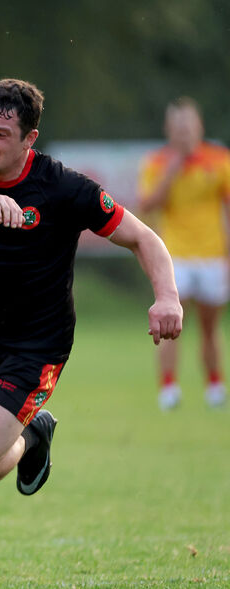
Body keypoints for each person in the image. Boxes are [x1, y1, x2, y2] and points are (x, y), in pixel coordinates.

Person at [0, 79, 183, 588]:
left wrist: (167, 297)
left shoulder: (65, 188)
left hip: (33, 345)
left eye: (1, 134)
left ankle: (31, 435)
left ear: (30, 139)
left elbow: (144, 237)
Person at [138, 97, 230, 410]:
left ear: (199, 126)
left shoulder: (219, 161)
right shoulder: (157, 163)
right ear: (168, 129)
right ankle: (168, 387)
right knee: (170, 326)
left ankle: (215, 383)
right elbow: (148, 205)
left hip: (213, 256)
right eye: (177, 127)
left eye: (188, 125)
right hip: (174, 255)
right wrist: (174, 169)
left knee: (209, 326)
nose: (184, 132)